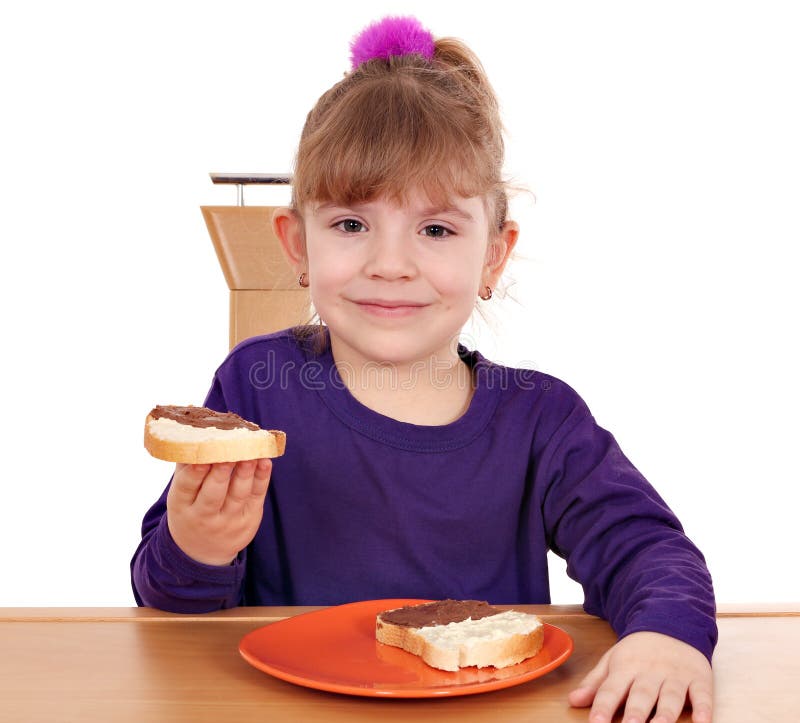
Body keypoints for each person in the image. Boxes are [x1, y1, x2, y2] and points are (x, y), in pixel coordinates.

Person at [132, 15, 715, 723]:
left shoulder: (540, 418)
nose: (390, 263)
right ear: (297, 244)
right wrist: (199, 545)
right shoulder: (256, 387)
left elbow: (646, 547)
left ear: (493, 255)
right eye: (351, 224)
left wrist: (665, 635)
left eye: (435, 229)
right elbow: (173, 611)